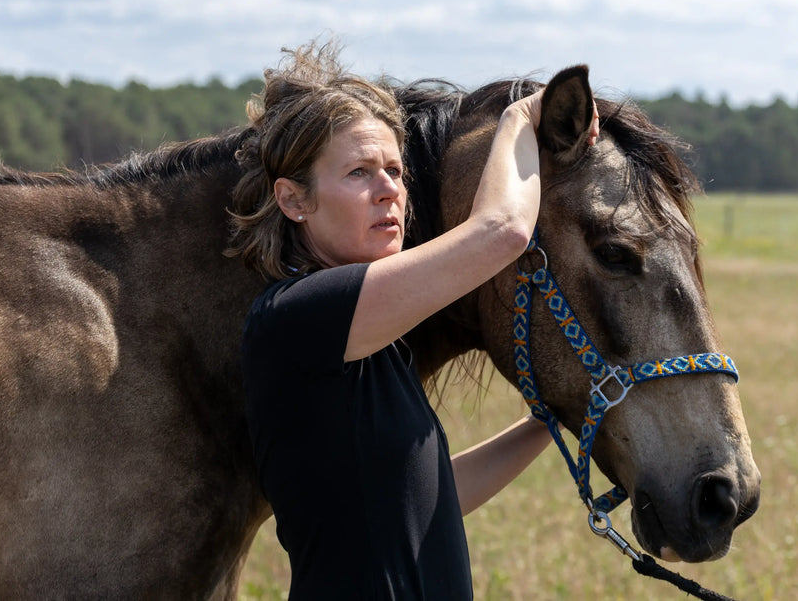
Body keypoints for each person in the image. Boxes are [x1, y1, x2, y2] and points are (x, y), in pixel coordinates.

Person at [228, 41, 599, 599]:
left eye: (396, 171)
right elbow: (502, 231)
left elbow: (431, 495)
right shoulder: (296, 318)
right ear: (293, 200)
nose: (389, 192)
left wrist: (544, 423)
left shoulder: (377, 343)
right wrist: (520, 115)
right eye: (359, 172)